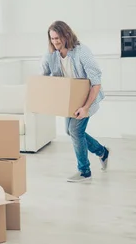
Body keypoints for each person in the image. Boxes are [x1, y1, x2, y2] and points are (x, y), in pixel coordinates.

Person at [41, 20, 110, 183]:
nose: (55, 42)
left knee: (75, 131)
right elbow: (43, 76)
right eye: (52, 38)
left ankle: (84, 171)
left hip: (87, 98)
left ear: (66, 35)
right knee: (70, 131)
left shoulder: (82, 52)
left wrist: (86, 107)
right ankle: (102, 152)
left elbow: (96, 82)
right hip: (69, 99)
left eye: (57, 38)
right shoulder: (51, 54)